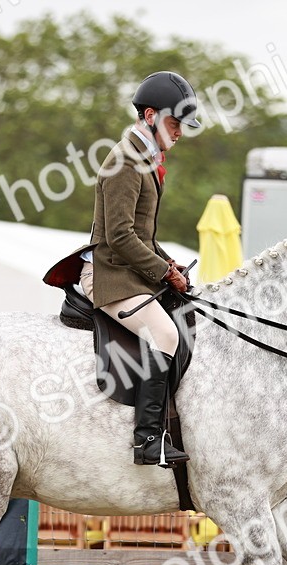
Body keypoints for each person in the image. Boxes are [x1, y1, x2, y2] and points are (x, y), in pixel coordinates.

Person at [79, 71, 200, 467]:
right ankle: (148, 440)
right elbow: (119, 236)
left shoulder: (144, 158)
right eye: (174, 122)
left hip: (128, 267)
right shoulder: (124, 161)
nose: (180, 132)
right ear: (150, 115)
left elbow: (143, 235)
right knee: (165, 334)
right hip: (109, 274)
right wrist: (163, 274)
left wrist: (168, 263)